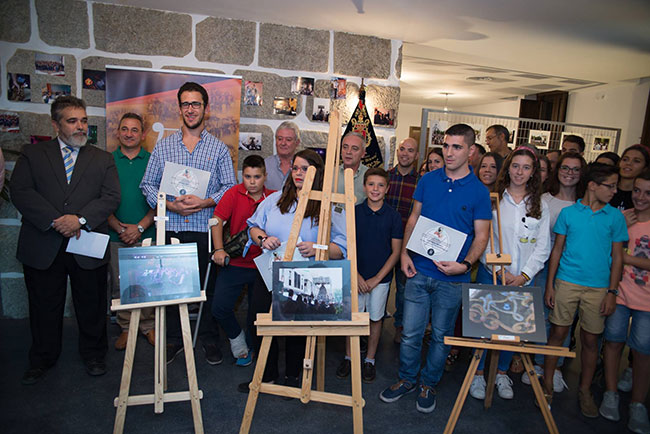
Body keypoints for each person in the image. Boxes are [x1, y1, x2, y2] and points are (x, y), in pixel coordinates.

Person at [379, 123, 491, 414]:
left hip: (453, 278)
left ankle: (429, 383)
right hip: (418, 271)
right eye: (446, 145)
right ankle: (407, 379)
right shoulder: (427, 180)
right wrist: (404, 253)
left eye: (457, 147)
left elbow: (481, 236)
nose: (450, 152)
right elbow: (414, 218)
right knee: (411, 333)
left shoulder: (479, 192)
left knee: (441, 336)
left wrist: (465, 264)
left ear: (470, 150)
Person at [11, 96, 120, 384]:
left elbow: (111, 197)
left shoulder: (102, 159)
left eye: (83, 120)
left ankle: (95, 355)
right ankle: (43, 357)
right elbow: (20, 192)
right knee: (44, 304)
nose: (80, 126)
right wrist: (56, 220)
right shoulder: (33, 155)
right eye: (72, 121)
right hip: (43, 243)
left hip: (86, 243)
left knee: (92, 303)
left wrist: (79, 219)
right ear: (55, 124)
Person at [140, 82, 236, 365]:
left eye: (196, 104)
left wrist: (205, 202)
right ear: (179, 109)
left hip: (203, 229)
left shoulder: (218, 149)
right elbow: (147, 184)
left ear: (206, 109)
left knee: (205, 289)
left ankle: (208, 338)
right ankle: (172, 340)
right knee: (168, 288)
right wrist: (168, 204)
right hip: (169, 227)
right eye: (185, 104)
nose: (191, 109)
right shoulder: (164, 146)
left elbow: (229, 189)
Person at [241, 149, 347, 391]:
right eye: (296, 168)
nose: (299, 173)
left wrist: (318, 247)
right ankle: (265, 375)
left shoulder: (327, 205)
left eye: (306, 169)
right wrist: (263, 239)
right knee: (261, 321)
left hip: (304, 276)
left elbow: (341, 247)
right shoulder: (275, 199)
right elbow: (253, 228)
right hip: (269, 271)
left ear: (317, 173)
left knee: (296, 328)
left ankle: (292, 376)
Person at [543, 163, 627, 417]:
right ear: (593, 185)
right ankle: (546, 386)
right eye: (609, 186)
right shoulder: (569, 214)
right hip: (567, 282)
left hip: (598, 288)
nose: (614, 191)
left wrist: (612, 292)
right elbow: (557, 250)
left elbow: (618, 257)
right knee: (558, 332)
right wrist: (550, 284)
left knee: (591, 340)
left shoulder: (615, 217)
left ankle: (585, 389)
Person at [470, 146, 551, 401]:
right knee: (485, 328)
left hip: (523, 279)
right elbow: (483, 239)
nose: (520, 172)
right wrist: (499, 271)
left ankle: (502, 372)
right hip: (491, 273)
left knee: (511, 331)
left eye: (526, 167)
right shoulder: (493, 199)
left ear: (533, 173)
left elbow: (543, 246)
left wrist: (524, 276)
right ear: (508, 168)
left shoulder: (540, 204)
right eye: (516, 166)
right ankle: (479, 374)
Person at [522, 152, 586, 392]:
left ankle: (556, 366)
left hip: (570, 267)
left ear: (582, 174)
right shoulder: (543, 200)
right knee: (540, 315)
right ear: (556, 171)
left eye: (575, 169)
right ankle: (539, 363)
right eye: (565, 168)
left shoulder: (584, 204)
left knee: (563, 320)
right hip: (543, 264)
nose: (569, 173)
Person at [336, 168, 403, 383]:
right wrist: (355, 274)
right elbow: (346, 246)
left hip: (380, 279)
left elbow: (395, 253)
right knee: (352, 317)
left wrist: (376, 279)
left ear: (387, 189)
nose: (375, 189)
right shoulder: (353, 212)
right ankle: (349, 356)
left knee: (375, 319)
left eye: (380, 185)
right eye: (371, 184)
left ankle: (370, 360)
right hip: (356, 275)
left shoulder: (393, 216)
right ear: (364, 187)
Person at [599, 170, 650, 432]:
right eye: (637, 191)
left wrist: (624, 257)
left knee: (642, 352)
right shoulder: (622, 219)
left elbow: (620, 255)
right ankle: (610, 393)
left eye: (647, 193)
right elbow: (602, 246)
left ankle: (638, 404)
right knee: (613, 342)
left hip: (646, 301)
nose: (640, 197)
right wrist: (622, 229)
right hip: (618, 292)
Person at [211, 155, 273, 366]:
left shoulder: (274, 197)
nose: (252, 181)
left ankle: (250, 346)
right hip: (236, 261)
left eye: (257, 176)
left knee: (256, 313)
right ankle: (237, 339)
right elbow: (217, 220)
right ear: (242, 176)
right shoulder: (233, 193)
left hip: (262, 264)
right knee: (219, 307)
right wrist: (219, 249)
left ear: (265, 176)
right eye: (247, 176)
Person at [107, 113, 156, 351]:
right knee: (120, 284)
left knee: (147, 283)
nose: (129, 134)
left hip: (146, 233)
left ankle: (148, 326)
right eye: (124, 129)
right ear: (117, 132)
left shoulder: (153, 160)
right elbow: (100, 198)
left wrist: (139, 227)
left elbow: (159, 201)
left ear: (143, 135)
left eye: (134, 130)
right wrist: (118, 226)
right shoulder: (106, 161)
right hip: (116, 234)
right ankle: (126, 328)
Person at [386, 137, 419, 343]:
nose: (405, 154)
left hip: (408, 245)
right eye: (402, 149)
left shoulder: (421, 182)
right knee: (380, 285)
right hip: (384, 242)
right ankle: (374, 323)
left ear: (416, 155)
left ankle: (400, 326)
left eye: (410, 151)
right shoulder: (386, 177)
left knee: (403, 289)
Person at [610, 145, 650, 210]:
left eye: (636, 161)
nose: (628, 163)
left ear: (645, 167)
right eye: (625, 159)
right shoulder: (606, 188)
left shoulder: (643, 197)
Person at [264, 121, 300, 190]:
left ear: (297, 143)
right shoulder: (265, 165)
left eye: (288, 140)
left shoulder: (303, 168)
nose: (283, 143)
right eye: (280, 139)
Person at [336, 131, 369, 204]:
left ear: (363, 153)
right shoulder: (330, 173)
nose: (348, 152)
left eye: (354, 148)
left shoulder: (369, 176)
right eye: (345, 147)